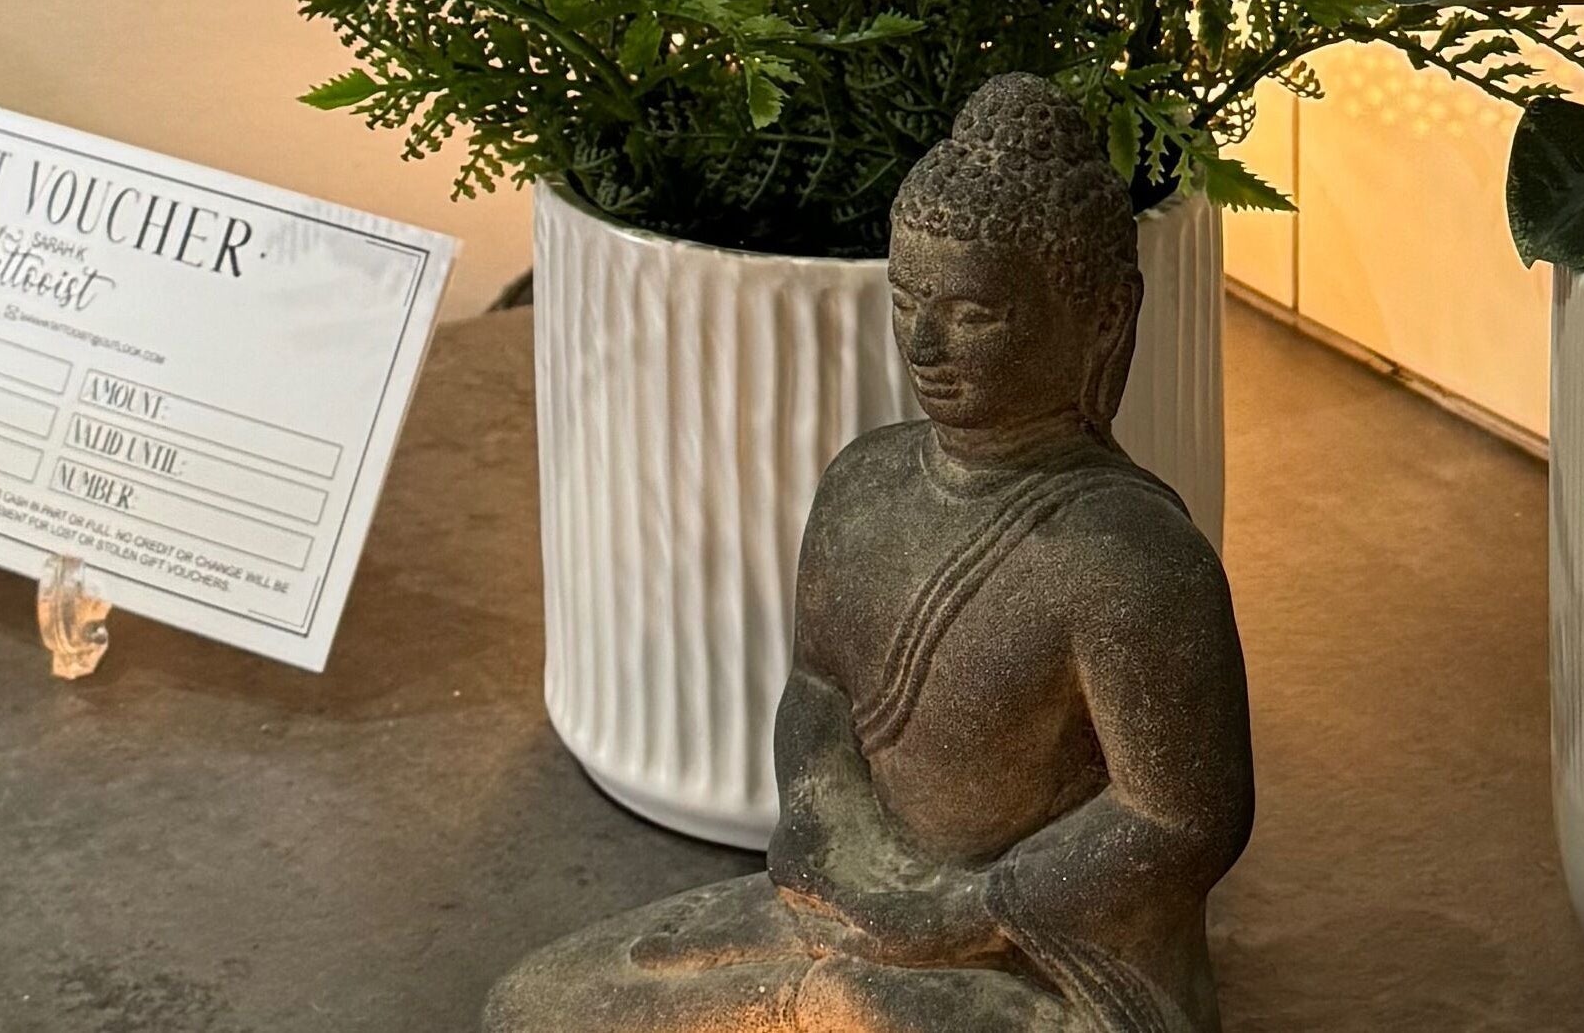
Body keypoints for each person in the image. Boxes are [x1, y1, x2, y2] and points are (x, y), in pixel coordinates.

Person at [487, 75, 1255, 1033]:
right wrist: (820, 824)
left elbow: (1178, 820)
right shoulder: (864, 483)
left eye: (976, 314)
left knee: (864, 1008)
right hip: (863, 899)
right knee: (539, 1003)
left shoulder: (1133, 561)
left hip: (1052, 960)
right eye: (907, 299)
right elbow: (818, 691)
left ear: (1100, 317)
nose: (925, 342)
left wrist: (969, 911)